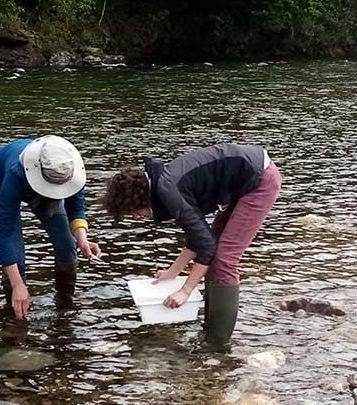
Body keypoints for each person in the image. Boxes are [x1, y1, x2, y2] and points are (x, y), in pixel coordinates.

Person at [100, 142, 281, 349]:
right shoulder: (164, 185)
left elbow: (205, 246)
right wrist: (173, 271)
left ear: (136, 200)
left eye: (131, 212)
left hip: (259, 181)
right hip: (244, 178)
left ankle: (217, 345)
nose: (135, 218)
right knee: (215, 251)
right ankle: (210, 329)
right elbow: (199, 236)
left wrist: (185, 291)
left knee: (225, 258)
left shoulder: (169, 191)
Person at [0, 136, 101, 319]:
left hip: (45, 178)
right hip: (0, 182)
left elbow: (76, 206)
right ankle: (15, 315)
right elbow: (4, 233)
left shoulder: (67, 167)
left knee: (68, 247)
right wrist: (17, 285)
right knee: (16, 259)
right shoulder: (14, 173)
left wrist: (82, 239)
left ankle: (65, 308)